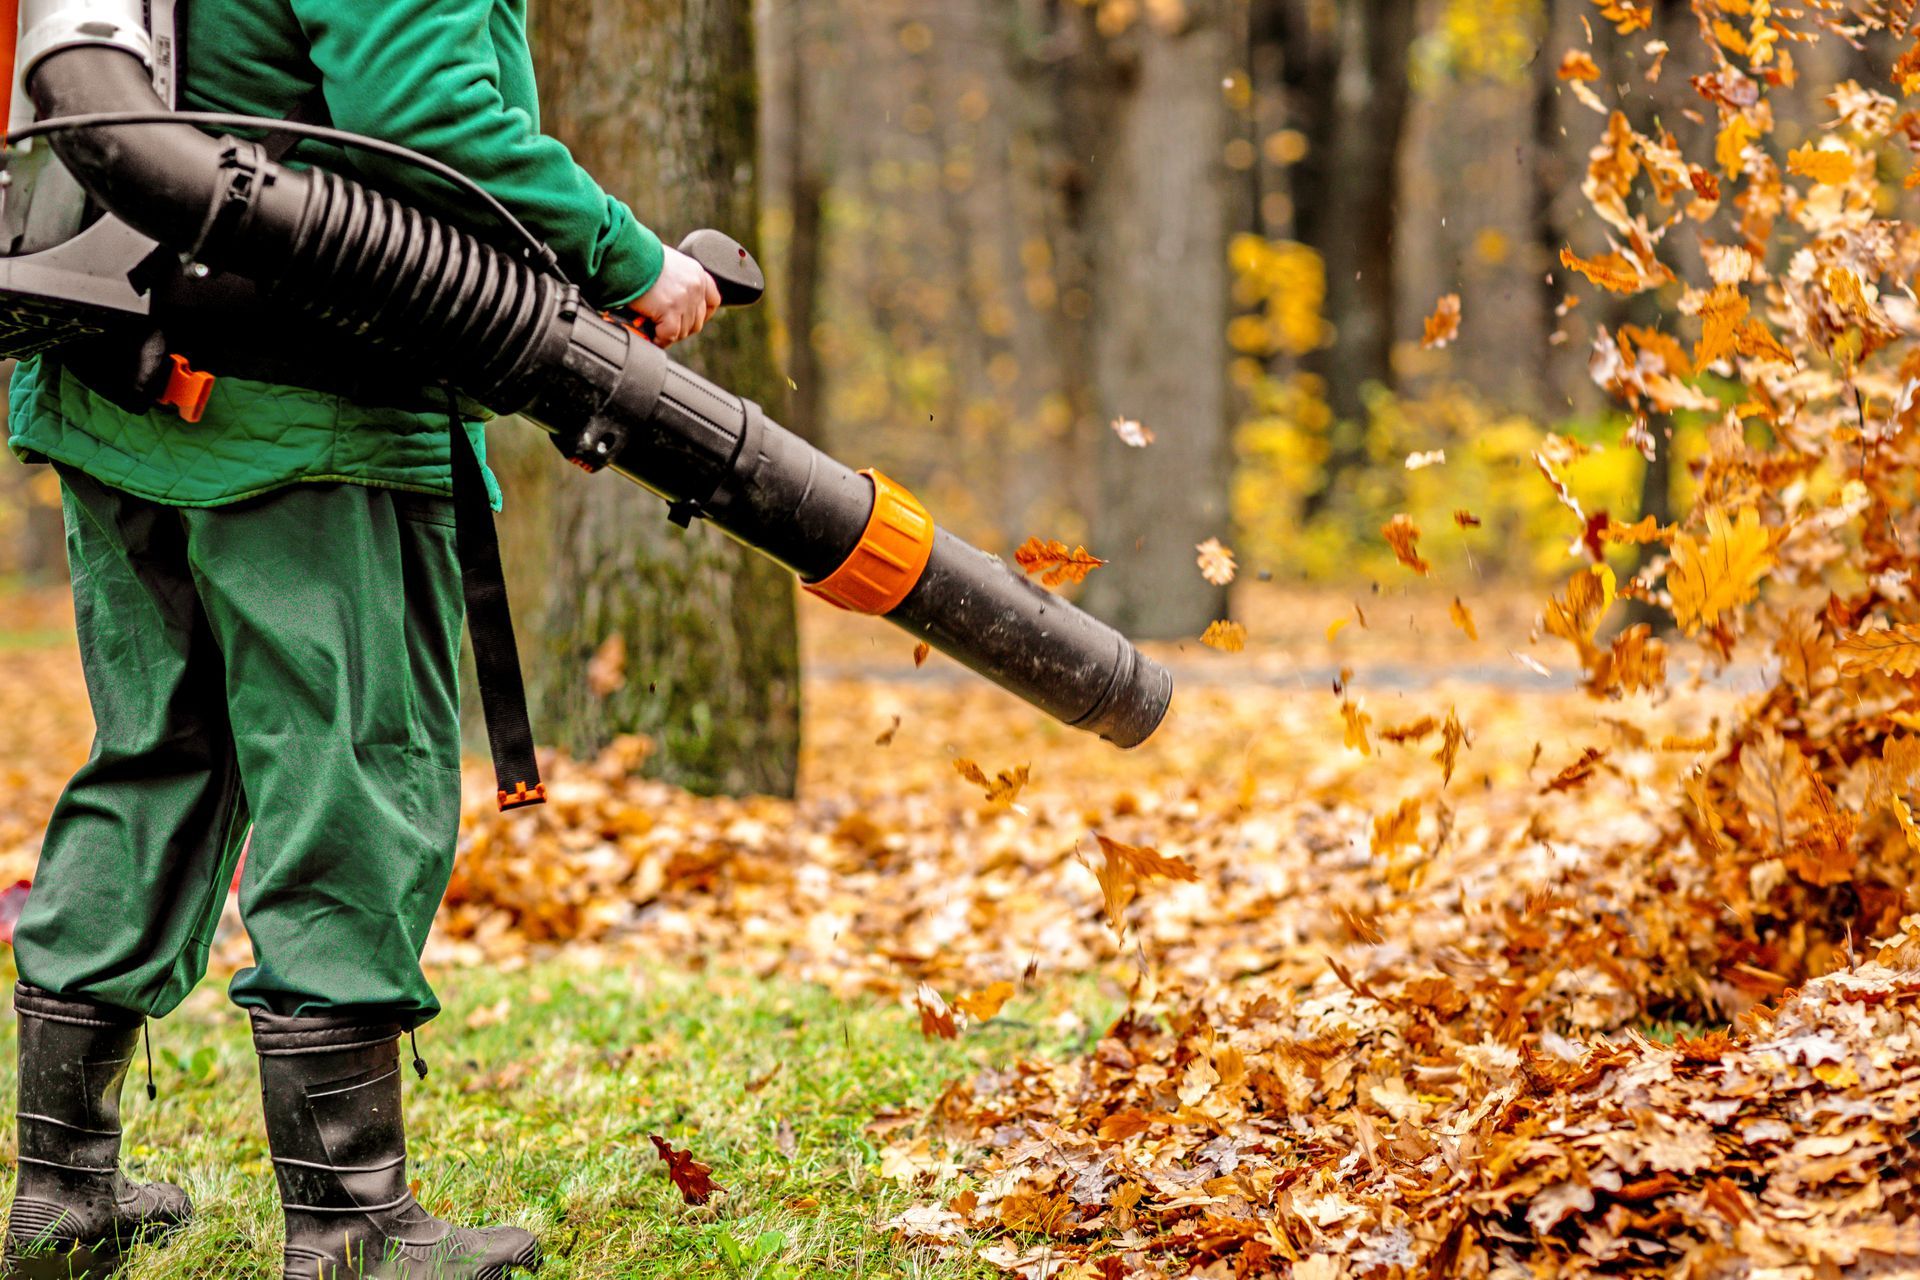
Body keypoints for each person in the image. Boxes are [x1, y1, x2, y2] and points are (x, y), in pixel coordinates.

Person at [3, 1, 719, 1276]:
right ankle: (349, 1224)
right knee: (355, 773)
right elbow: (428, 121)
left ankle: (63, 1194)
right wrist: (628, 260)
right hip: (310, 406)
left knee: (154, 760)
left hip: (121, 366)